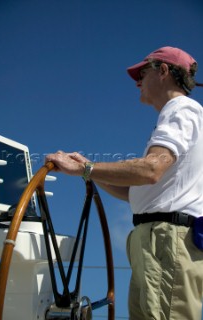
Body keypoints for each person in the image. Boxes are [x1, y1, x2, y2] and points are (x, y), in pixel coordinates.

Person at [45, 46, 203, 320]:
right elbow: (136, 191)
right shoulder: (181, 116)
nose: (137, 82)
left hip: (165, 240)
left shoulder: (181, 110)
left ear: (163, 71)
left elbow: (150, 169)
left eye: (142, 73)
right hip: (156, 240)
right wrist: (86, 172)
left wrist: (85, 167)